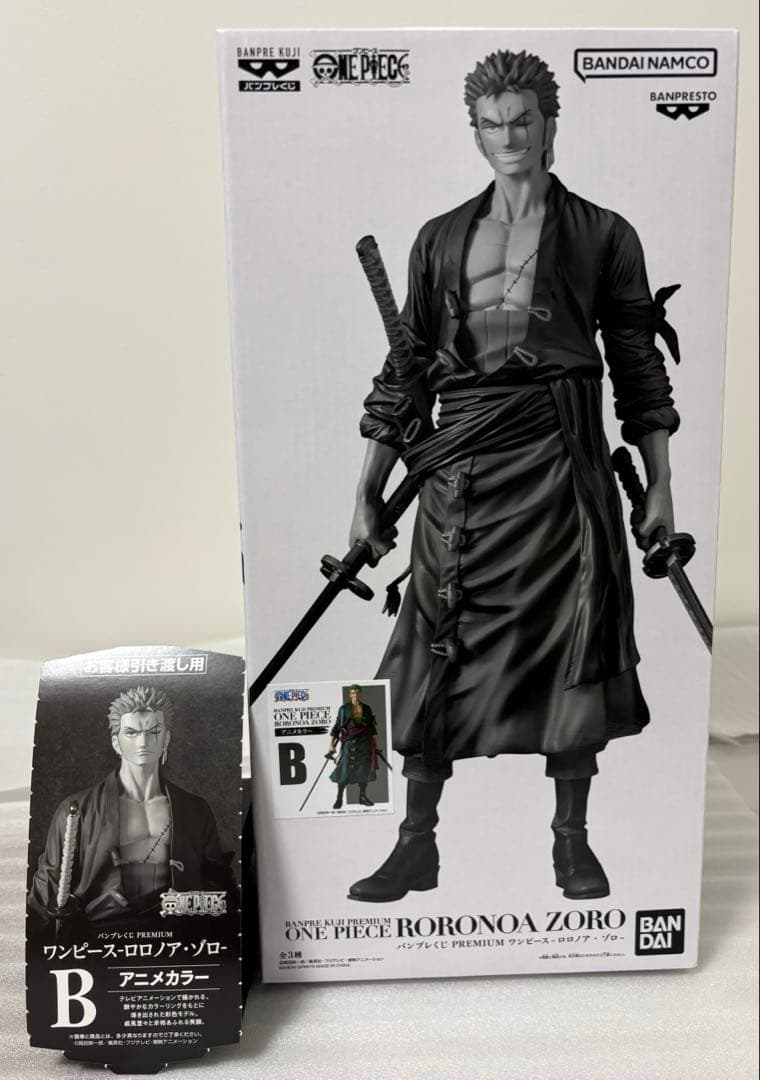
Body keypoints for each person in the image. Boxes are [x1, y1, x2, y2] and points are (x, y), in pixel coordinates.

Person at [347, 49, 680, 903]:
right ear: (475, 133)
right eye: (492, 124)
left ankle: (571, 843)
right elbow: (404, 374)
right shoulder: (440, 238)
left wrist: (660, 487)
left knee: (575, 640)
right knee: (435, 649)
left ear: (550, 123)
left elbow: (638, 368)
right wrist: (365, 493)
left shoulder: (604, 234)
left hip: (562, 469)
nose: (509, 137)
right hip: (458, 474)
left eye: (522, 120)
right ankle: (414, 845)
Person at [28, 686, 234, 930]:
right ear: (116, 742)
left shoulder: (195, 810)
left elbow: (220, 888)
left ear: (166, 738)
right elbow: (46, 892)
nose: (143, 742)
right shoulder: (76, 810)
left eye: (153, 731)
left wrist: (191, 908)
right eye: (132, 732)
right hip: (100, 940)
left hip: (177, 938)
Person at [328, 685, 379, 808]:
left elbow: (372, 729)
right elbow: (337, 727)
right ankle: (339, 798)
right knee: (344, 770)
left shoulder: (366, 708)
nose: (355, 695)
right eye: (353, 693)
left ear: (360, 694)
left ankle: (362, 797)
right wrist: (331, 745)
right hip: (349, 742)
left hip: (365, 743)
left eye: (357, 693)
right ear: (350, 695)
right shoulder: (344, 709)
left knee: (364, 770)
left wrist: (375, 746)